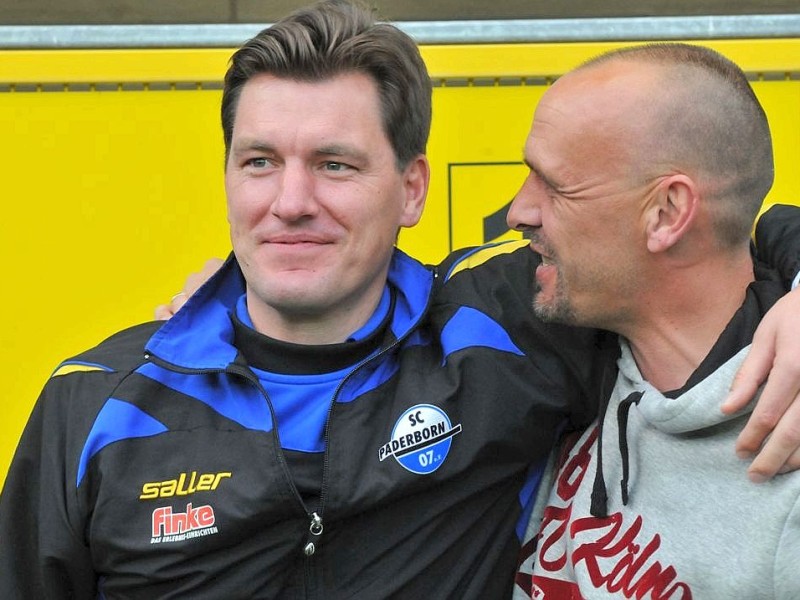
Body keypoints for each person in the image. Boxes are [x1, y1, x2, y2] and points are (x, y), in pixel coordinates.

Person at [1, 2, 799, 598]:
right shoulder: (93, 402)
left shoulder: (509, 323)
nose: (290, 201)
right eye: (258, 163)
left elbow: (717, 231)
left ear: (411, 188)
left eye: (336, 165)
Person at [511, 43, 800, 598]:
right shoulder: (561, 350)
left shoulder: (784, 482)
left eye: (554, 186)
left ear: (666, 214)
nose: (518, 212)